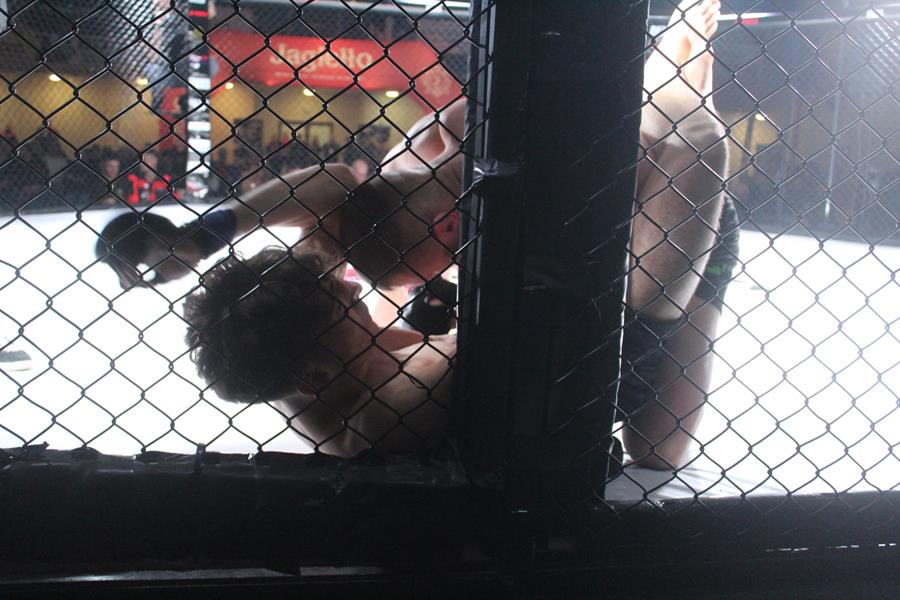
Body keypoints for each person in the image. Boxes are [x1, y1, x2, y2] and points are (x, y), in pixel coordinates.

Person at [97, 0, 733, 464]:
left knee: (412, 201)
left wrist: (207, 235)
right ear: (317, 374)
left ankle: (656, 93)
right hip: (601, 326)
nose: (355, 291)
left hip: (529, 271)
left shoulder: (310, 353)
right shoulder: (386, 414)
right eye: (345, 305)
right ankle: (678, 93)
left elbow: (330, 185)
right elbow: (504, 341)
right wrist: (467, 280)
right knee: (659, 443)